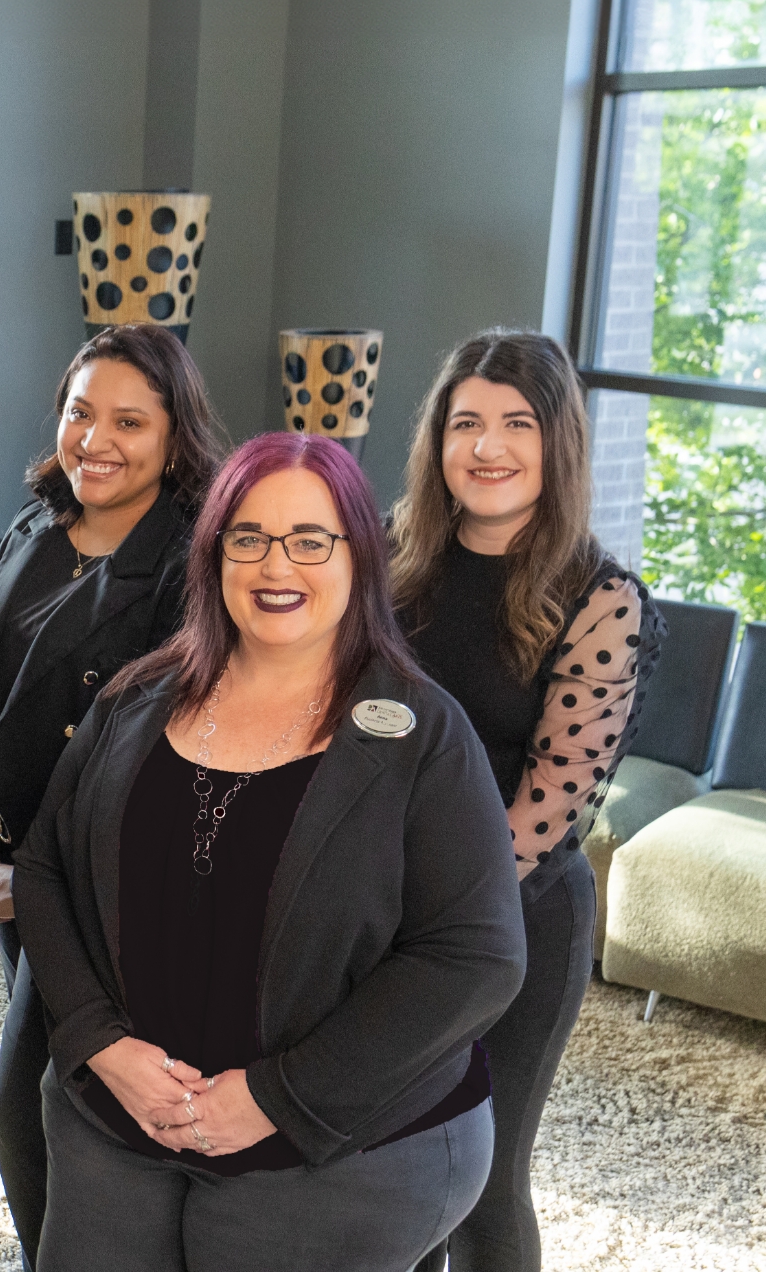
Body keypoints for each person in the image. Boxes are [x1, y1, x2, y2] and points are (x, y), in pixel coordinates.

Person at [15, 432, 526, 1272]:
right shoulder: (136, 699)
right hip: (124, 1115)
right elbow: (42, 869)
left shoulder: (423, 736)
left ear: (360, 554)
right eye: (246, 538)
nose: (274, 565)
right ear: (214, 557)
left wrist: (274, 1098)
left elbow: (476, 957)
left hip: (344, 1142)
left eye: (309, 540)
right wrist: (98, 1042)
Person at [0, 323, 225, 1268]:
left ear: (176, 437)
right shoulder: (36, 523)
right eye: (80, 411)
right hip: (6, 869)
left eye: (129, 422)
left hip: (104, 891)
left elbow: (171, 764)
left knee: (28, 1110)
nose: (95, 439)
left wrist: (36, 874)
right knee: (63, 1115)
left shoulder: (193, 566)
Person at [393, 331, 664, 1272]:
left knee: (480, 1182)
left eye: (516, 422)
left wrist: (422, 920)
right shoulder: (390, 562)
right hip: (371, 906)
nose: (487, 445)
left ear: (558, 441)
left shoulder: (601, 599)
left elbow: (554, 797)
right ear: (437, 441)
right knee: (387, 1171)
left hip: (508, 925)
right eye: (465, 422)